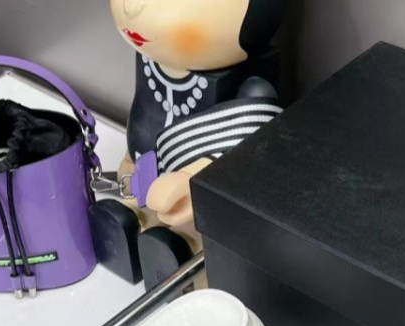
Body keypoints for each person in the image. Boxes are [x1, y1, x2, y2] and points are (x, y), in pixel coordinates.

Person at [91, 0, 285, 288]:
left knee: (193, 235)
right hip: (146, 174)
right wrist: (131, 159)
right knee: (141, 206)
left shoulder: (252, 88)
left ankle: (183, 253)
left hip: (200, 204)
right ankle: (135, 224)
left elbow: (245, 155)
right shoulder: (151, 60)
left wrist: (193, 182)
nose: (131, 7)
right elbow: (144, 112)